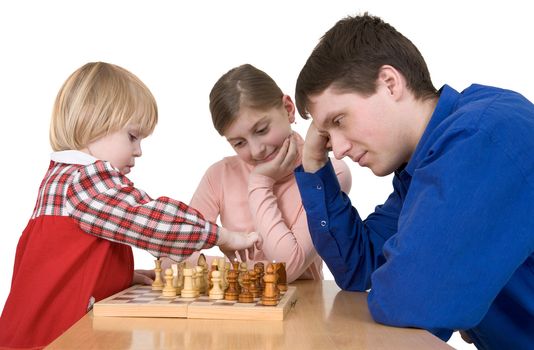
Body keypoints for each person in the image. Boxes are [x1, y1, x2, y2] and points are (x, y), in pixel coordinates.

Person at [292, 13, 534, 350]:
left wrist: (400, 277)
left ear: (390, 83)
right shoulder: (421, 169)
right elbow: (359, 267)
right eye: (327, 135)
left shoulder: (483, 134)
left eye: (339, 120)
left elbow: (412, 301)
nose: (340, 149)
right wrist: (314, 164)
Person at [0, 62, 261, 349]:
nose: (138, 151)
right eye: (133, 137)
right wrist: (222, 235)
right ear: (92, 122)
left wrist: (122, 276)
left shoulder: (61, 177)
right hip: (52, 340)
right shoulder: (85, 180)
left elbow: (64, 264)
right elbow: (153, 223)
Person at [188, 64, 351, 282]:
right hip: (235, 307)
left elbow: (287, 268)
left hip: (302, 308)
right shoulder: (219, 175)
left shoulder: (329, 174)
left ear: (288, 108)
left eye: (262, 130)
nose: (256, 150)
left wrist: (260, 182)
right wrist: (247, 274)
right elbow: (176, 254)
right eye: (239, 143)